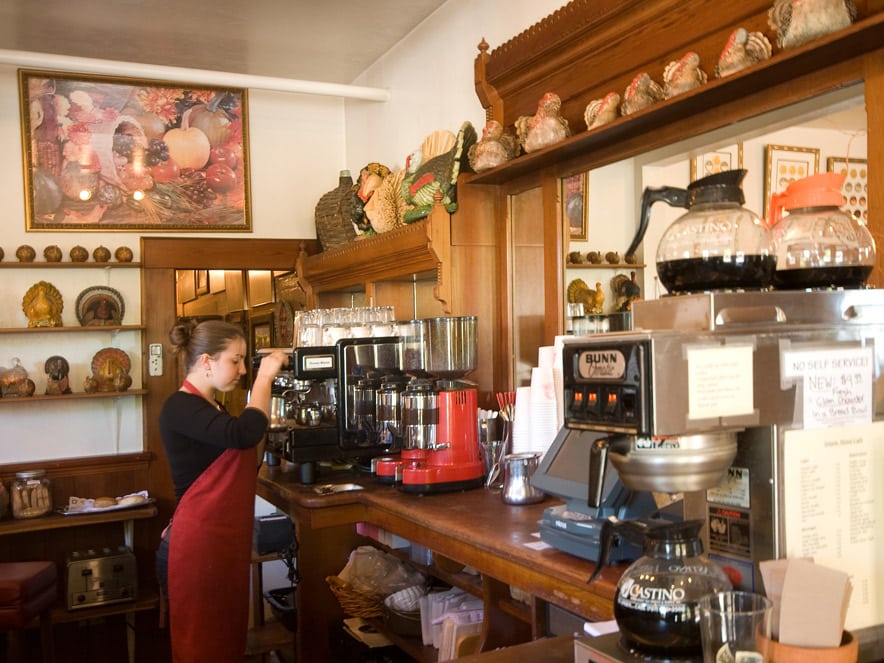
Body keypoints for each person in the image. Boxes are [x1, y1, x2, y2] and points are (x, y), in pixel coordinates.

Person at [155, 318, 287, 661]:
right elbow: (245, 432)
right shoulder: (179, 407)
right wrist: (265, 376)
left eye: (245, 361)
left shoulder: (210, 406)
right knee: (202, 649)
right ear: (206, 361)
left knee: (225, 645)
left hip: (218, 544)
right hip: (196, 548)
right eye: (236, 360)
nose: (242, 369)